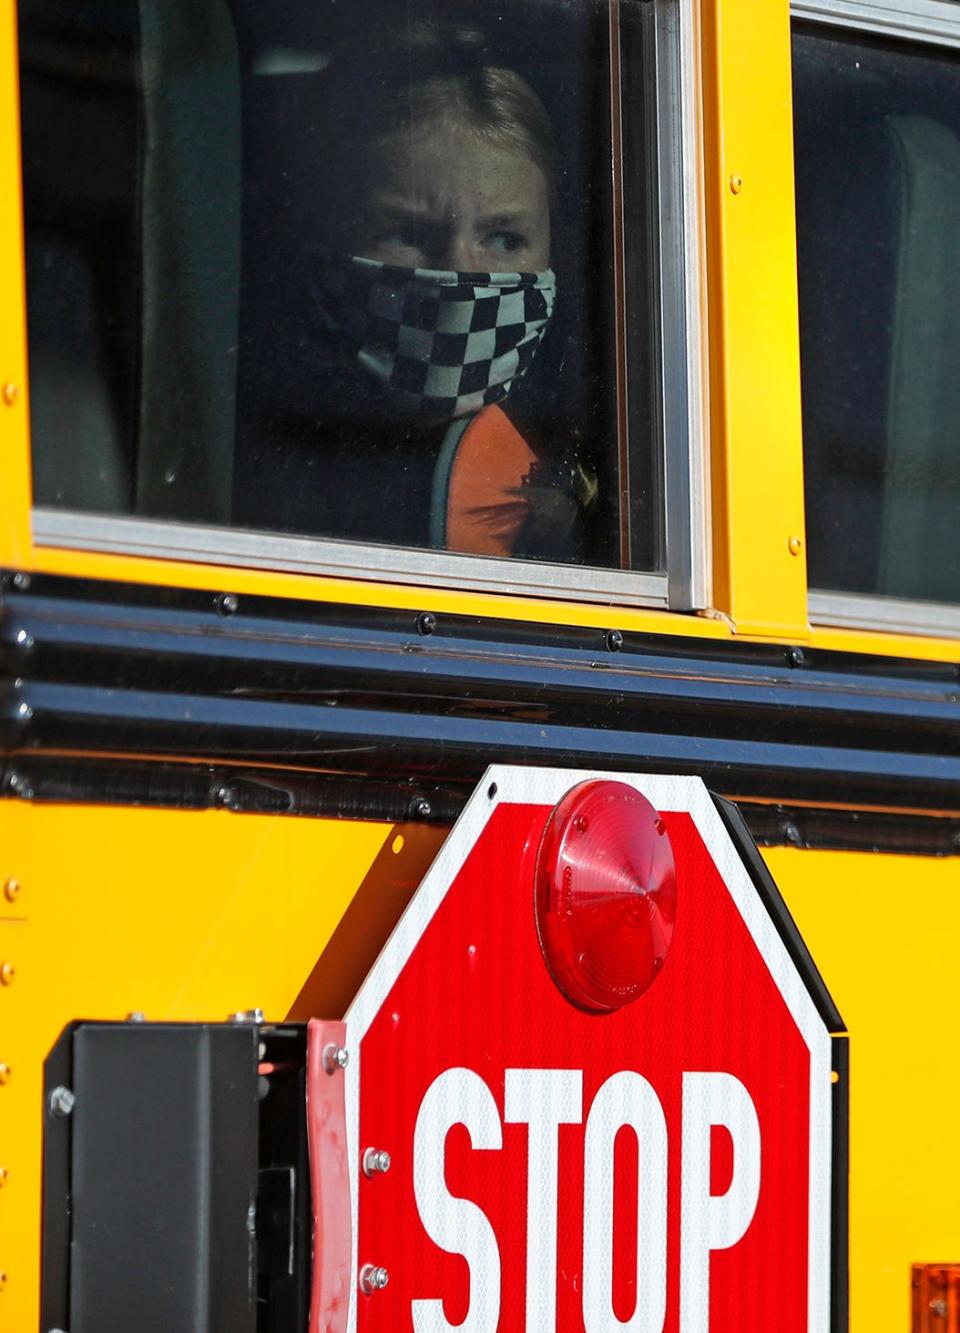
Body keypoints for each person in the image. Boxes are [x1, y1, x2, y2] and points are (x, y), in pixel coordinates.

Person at [234, 20, 595, 561]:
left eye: (503, 238)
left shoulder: (615, 483)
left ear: (553, 251)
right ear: (317, 241)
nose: (459, 273)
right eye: (406, 234)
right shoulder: (238, 455)